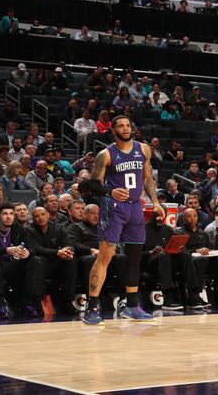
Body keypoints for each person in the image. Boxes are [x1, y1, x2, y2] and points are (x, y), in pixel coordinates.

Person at [79, 116, 164, 325]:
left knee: (134, 257)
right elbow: (92, 185)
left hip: (136, 206)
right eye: (121, 126)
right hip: (113, 208)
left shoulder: (143, 149)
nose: (126, 129)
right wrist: (110, 191)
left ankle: (132, 305)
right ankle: (92, 306)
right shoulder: (105, 154)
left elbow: (147, 178)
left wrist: (155, 202)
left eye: (128, 125)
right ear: (113, 130)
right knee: (105, 256)